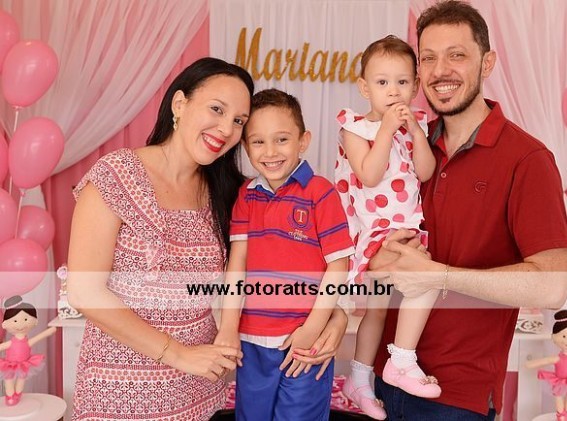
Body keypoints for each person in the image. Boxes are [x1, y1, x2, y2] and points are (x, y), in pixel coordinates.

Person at [67, 58, 346, 421]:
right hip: (121, 392)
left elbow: (288, 261)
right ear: (179, 104)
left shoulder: (231, 192)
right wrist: (178, 354)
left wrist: (333, 318)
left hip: (200, 391)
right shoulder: (116, 175)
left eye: (239, 121)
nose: (226, 128)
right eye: (217, 109)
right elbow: (85, 293)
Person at [367, 1, 567, 420]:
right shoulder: (406, 144)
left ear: (487, 63)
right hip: (383, 382)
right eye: (428, 58)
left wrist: (440, 275)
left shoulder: (527, 159)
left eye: (456, 55)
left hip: (458, 398)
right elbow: (369, 229)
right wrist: (375, 259)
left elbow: (551, 286)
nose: (440, 71)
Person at [214, 88, 354, 421]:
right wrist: (229, 326)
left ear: (303, 141)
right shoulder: (246, 196)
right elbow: (237, 264)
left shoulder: (321, 193)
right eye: (258, 142)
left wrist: (313, 328)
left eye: (282, 139)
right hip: (252, 341)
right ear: (245, 146)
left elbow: (339, 266)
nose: (270, 152)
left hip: (304, 340)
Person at [335, 35, 439, 420]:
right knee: (426, 279)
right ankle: (402, 360)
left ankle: (360, 379)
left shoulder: (416, 126)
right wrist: (386, 131)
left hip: (405, 228)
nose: (393, 91)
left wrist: (415, 134)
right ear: (365, 88)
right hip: (374, 232)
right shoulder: (355, 128)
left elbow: (425, 172)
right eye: (382, 82)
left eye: (402, 82)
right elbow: (369, 174)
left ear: (415, 86)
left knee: (377, 311)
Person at [0, 295, 57, 406]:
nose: (21, 324)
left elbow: (39, 337)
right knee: (8, 378)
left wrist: (49, 331)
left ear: (34, 321)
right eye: (15, 320)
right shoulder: (11, 342)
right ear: (5, 324)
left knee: (21, 378)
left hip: (24, 363)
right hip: (10, 364)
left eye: (26, 319)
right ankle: (10, 395)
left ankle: (17, 394)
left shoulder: (27, 342)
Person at [526, 310, 567, 421]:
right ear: (554, 337)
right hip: (559, 380)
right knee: (558, 395)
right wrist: (531, 364)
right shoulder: (558, 358)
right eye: (564, 336)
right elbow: (545, 360)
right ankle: (560, 414)